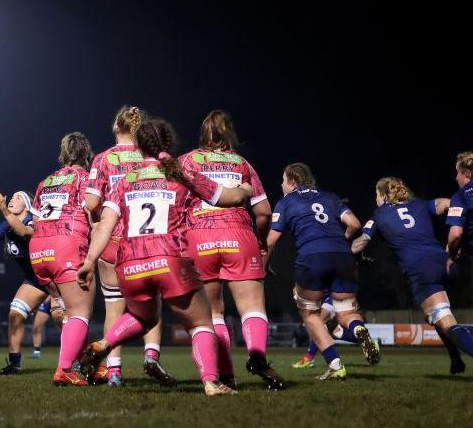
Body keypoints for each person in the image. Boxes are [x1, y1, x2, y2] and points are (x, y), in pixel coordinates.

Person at [77, 119, 252, 396]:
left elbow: (106, 225)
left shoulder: (126, 180)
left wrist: (88, 262)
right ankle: (210, 382)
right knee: (200, 323)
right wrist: (243, 190)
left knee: (142, 317)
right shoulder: (181, 172)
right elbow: (225, 198)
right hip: (170, 258)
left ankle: (105, 343)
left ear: (139, 147)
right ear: (168, 143)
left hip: (131, 263)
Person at [178, 110, 284, 390]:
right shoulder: (241, 163)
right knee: (252, 308)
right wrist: (260, 242)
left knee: (213, 312)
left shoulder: (187, 161)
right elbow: (264, 212)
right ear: (229, 134)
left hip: (199, 238)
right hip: (239, 235)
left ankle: (226, 375)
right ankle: (258, 356)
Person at [264, 163, 379, 381]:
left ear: (293, 181)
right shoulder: (329, 197)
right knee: (345, 311)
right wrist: (341, 242)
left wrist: (264, 266)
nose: (281, 184)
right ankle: (357, 330)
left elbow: (271, 241)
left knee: (310, 313)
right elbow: (354, 223)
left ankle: (336, 366)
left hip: (312, 256)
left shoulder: (286, 202)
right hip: (342, 257)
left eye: (283, 180)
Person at [84, 106, 170, 387]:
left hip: (112, 241)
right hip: (148, 241)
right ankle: (151, 357)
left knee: (113, 310)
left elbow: (92, 203)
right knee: (152, 306)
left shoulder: (103, 159)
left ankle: (115, 373)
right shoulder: (154, 158)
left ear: (115, 127)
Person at [352, 177, 473, 374]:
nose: (375, 199)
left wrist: (357, 257)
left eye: (376, 194)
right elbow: (447, 204)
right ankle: (455, 359)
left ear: (383, 194)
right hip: (445, 263)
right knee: (434, 317)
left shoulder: (379, 215)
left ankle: (459, 354)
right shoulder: (420, 204)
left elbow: (361, 242)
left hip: (421, 269)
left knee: (448, 323)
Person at [29, 132, 94, 386]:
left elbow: (35, 220)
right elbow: (94, 214)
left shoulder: (46, 181)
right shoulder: (85, 178)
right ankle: (65, 368)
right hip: (66, 244)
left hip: (39, 249)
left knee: (67, 311)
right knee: (80, 311)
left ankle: (84, 363)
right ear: (86, 154)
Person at [0, 190, 54, 374]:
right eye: (12, 197)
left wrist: (3, 208)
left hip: (54, 276)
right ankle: (14, 364)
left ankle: (77, 361)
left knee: (61, 318)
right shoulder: (9, 224)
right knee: (14, 315)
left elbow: (23, 232)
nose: (12, 199)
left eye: (18, 197)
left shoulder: (33, 221)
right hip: (36, 279)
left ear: (28, 206)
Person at [448, 152, 473, 289]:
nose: (456, 177)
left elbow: (456, 234)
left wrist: (452, 255)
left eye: (458, 173)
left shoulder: (460, 196)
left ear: (467, 173)